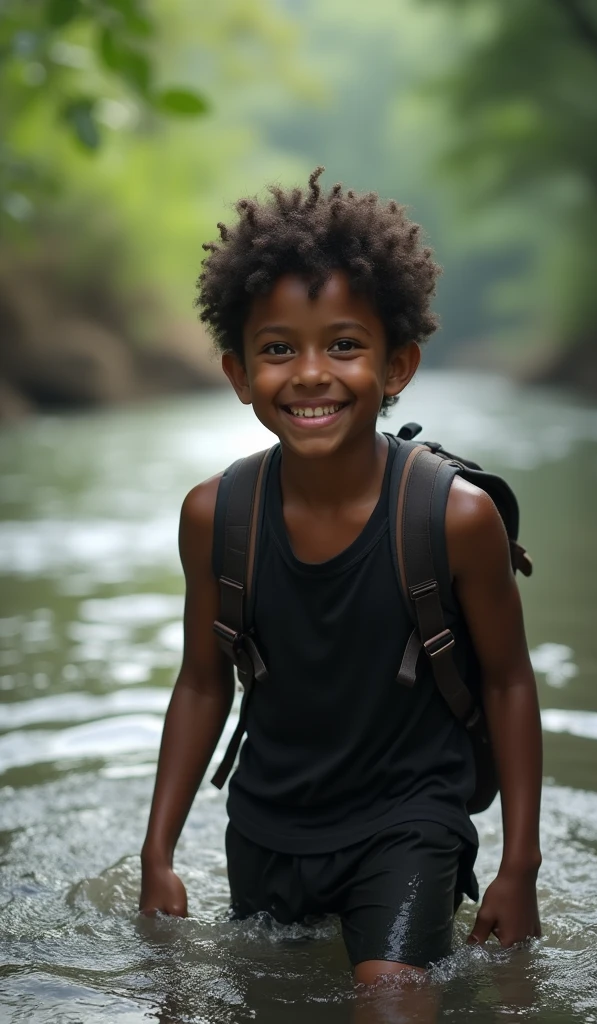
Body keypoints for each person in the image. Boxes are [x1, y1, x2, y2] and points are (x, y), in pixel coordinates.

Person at [139, 168, 542, 991]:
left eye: (345, 346)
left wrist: (518, 867)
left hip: (411, 819)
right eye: (279, 348)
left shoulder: (456, 519)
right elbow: (202, 682)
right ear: (240, 373)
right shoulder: (216, 515)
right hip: (266, 825)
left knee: (391, 998)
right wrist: (157, 851)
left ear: (398, 366)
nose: (311, 373)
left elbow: (507, 681)